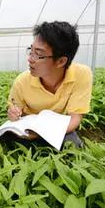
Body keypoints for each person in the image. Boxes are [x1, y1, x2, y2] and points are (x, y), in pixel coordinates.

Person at [6, 21, 92, 149]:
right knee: (11, 144)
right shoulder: (22, 81)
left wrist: (42, 133)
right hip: (29, 129)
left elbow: (75, 118)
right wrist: (13, 114)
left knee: (72, 147)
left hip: (57, 127)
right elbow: (14, 111)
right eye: (31, 51)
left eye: (38, 54)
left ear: (61, 61)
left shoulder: (81, 74)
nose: (30, 59)